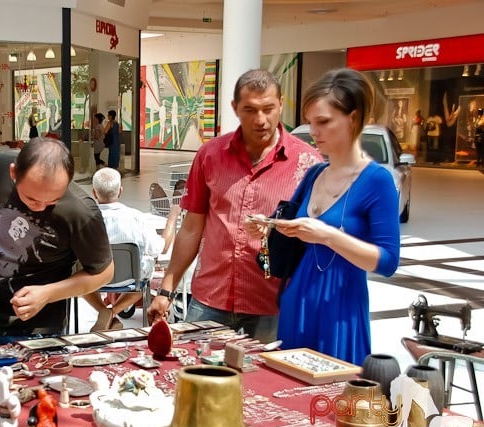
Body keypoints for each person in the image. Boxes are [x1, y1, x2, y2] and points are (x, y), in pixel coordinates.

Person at [147, 69, 322, 341]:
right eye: (250, 110)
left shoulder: (308, 163)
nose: (261, 120)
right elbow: (192, 228)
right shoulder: (210, 155)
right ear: (235, 109)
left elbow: (316, 240)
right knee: (197, 377)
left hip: (272, 303)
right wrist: (166, 289)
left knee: (267, 382)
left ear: (281, 104)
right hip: (211, 298)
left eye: (268, 108)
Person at [258, 68, 400, 365]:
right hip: (298, 298)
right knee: (287, 395)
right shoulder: (315, 174)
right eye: (310, 122)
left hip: (341, 305)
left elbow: (387, 261)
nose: (313, 132)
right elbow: (293, 232)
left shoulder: (377, 180)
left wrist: (327, 235)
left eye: (323, 122)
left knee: (333, 399)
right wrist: (269, 228)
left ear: (353, 117)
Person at [0, 137, 113, 339]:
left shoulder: (82, 211)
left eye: (53, 200)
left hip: (38, 330)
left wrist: (48, 294)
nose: (40, 207)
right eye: (31, 198)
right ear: (13, 173)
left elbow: (105, 272)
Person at [83, 167, 179, 331]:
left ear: (94, 192)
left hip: (93, 280)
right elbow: (160, 248)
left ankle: (103, 312)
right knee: (143, 280)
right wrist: (172, 218)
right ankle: (113, 312)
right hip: (131, 280)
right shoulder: (137, 218)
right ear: (120, 191)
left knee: (78, 275)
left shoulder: (82, 219)